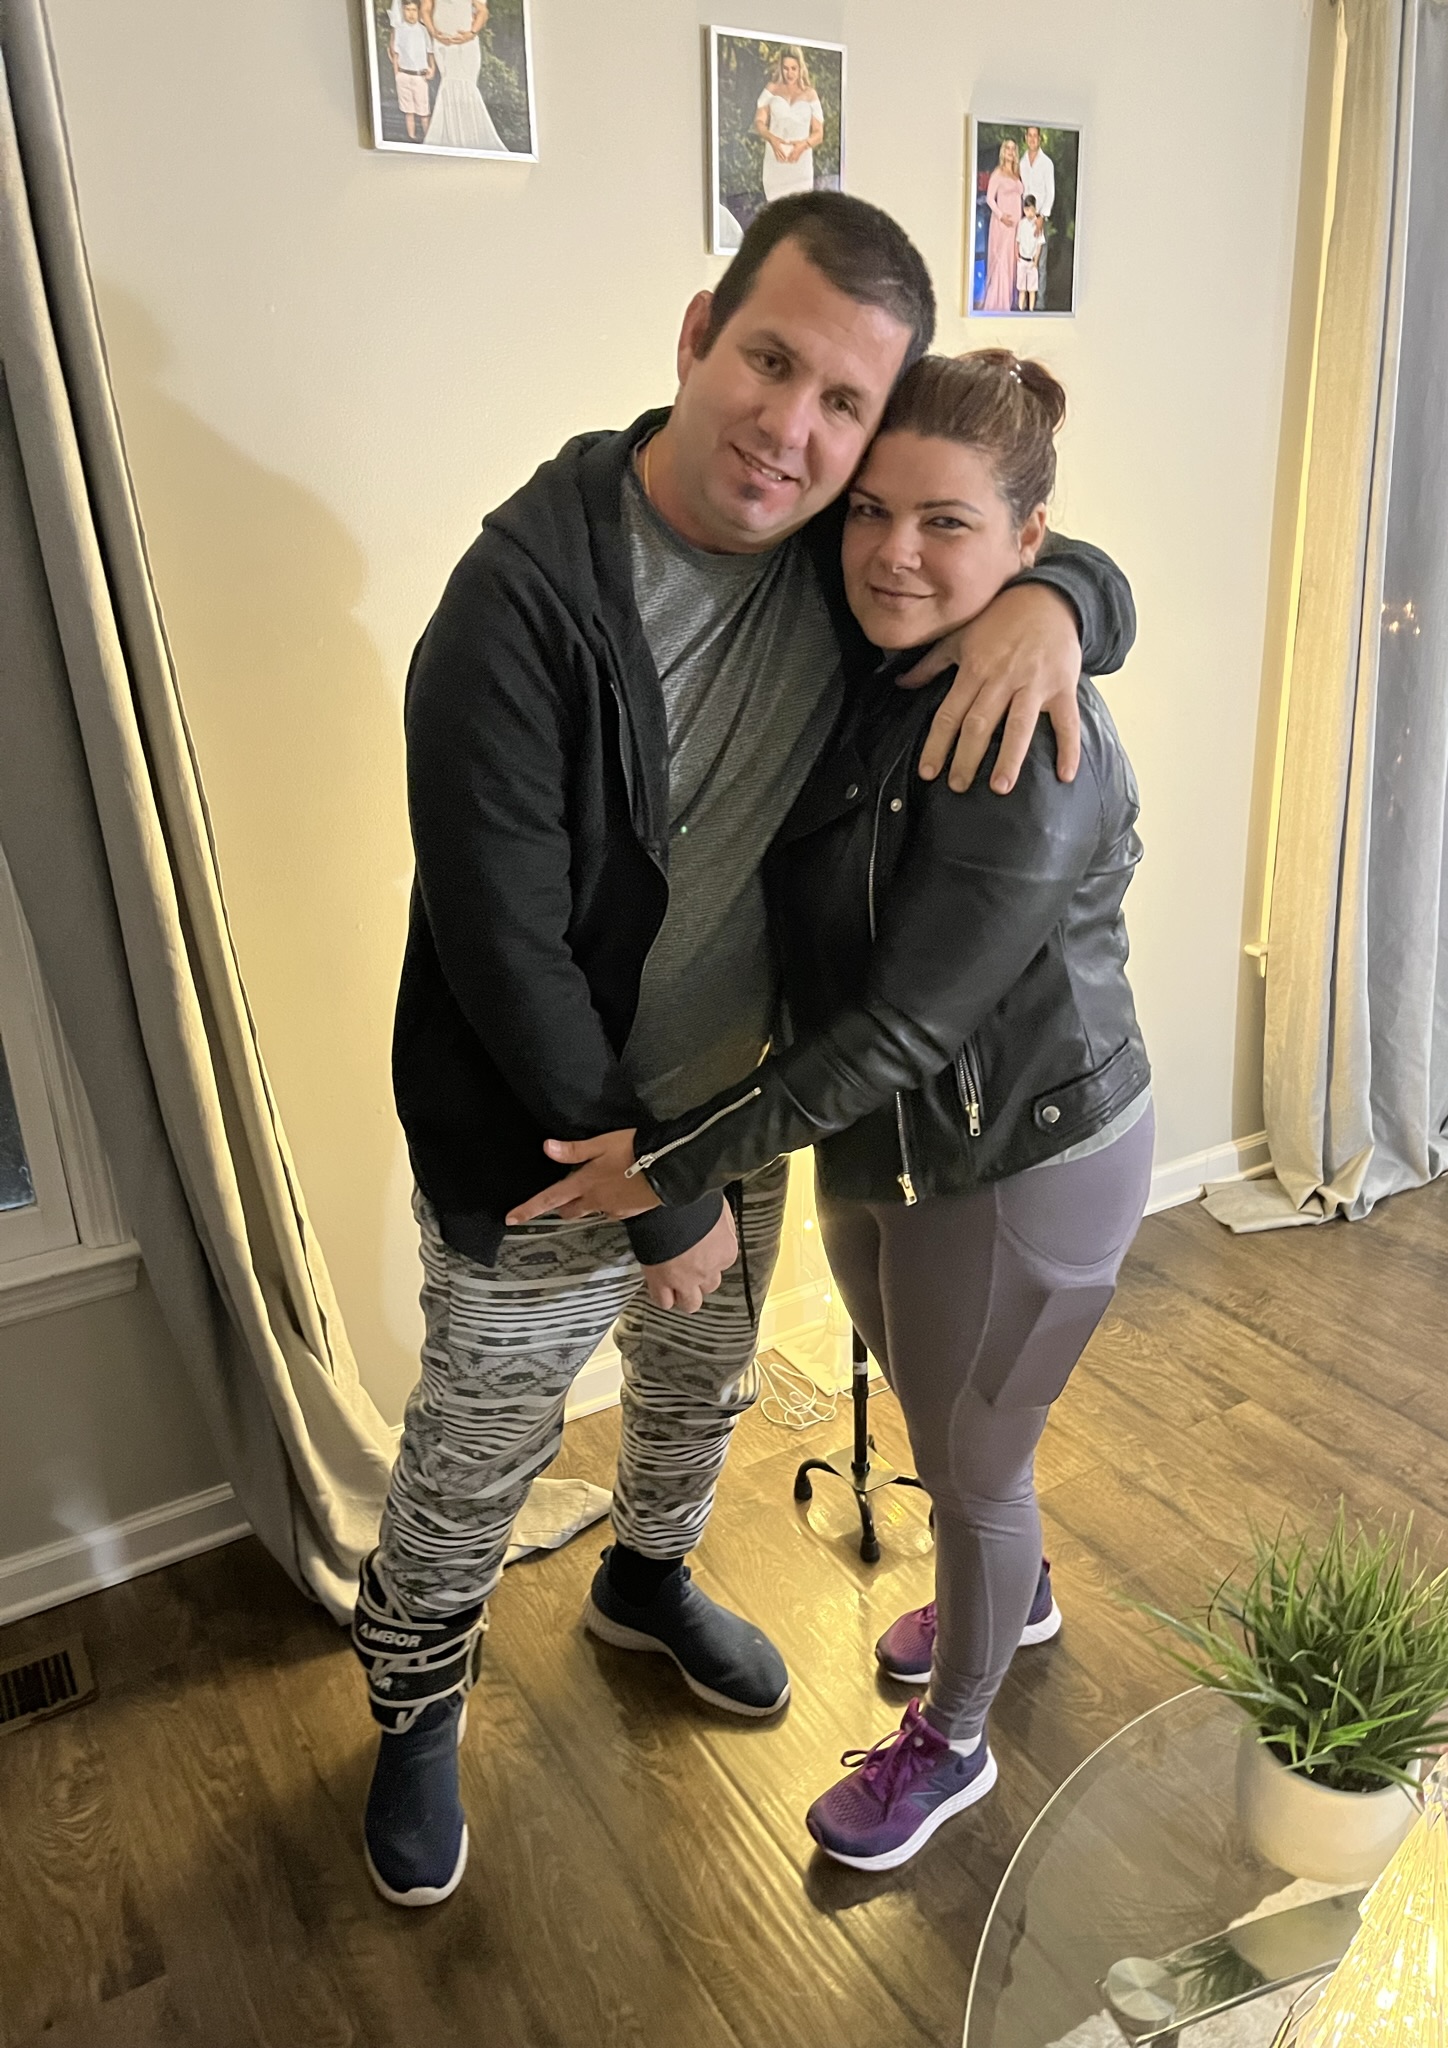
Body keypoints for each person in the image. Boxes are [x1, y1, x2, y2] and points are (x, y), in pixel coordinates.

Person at [355, 194, 1136, 1909]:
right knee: (479, 1450)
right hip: (553, 1142)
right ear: (699, 333)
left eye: (842, 402)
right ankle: (414, 1705)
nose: (793, 429)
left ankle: (644, 1582)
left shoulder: (831, 553)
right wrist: (658, 1193)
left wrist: (1065, 598)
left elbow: (981, 531)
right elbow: (505, 950)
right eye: (771, 362)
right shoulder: (518, 601)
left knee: (697, 1388)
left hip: (733, 1104)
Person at [511, 349, 1153, 1871]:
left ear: (1026, 537)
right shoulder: (884, 649)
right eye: (871, 511)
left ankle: (957, 1742)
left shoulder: (1026, 740)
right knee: (948, 1418)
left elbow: (910, 1026)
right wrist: (1068, 593)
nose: (892, 553)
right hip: (892, 1144)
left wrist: (668, 1163)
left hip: (1012, 1158)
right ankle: (1014, 1588)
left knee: (974, 1465)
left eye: (947, 524)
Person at [421, 0, 506, 154]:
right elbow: (425, 9)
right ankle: (451, 140)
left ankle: (471, 141)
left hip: (467, 44)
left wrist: (471, 33)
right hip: (443, 44)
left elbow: (482, 11)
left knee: (467, 87)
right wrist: (434, 32)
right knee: (448, 86)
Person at [754, 46, 824, 210]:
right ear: (781, 68)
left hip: (800, 162)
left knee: (800, 211)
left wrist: (803, 145)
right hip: (776, 160)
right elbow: (759, 122)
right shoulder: (772, 89)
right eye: (786, 68)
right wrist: (772, 139)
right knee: (775, 210)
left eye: (793, 68)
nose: (789, 73)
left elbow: (819, 133)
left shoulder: (810, 94)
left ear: (800, 69)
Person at [981, 138, 1023, 312]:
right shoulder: (998, 173)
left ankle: (1009, 303)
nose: (1010, 152)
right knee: (1002, 262)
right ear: (1003, 151)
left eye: (1013, 149)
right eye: (1007, 148)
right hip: (1003, 224)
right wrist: (1001, 216)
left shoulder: (1017, 174)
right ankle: (998, 304)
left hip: (1017, 226)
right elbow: (990, 199)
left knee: (1012, 262)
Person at [388, 0, 436, 145]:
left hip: (419, 76)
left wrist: (432, 68)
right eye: (408, 10)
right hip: (404, 74)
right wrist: (397, 74)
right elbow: (396, 53)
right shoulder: (399, 30)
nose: (411, 14)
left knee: (423, 111)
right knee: (409, 111)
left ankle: (428, 139)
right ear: (403, 10)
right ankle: (412, 137)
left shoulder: (423, 30)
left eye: (414, 10)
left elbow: (430, 51)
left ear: (418, 11)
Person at [1019, 125, 1056, 308]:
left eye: (1036, 136)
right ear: (1026, 137)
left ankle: (1039, 305)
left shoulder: (1046, 163)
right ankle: (1023, 304)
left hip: (1040, 219)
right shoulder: (1022, 162)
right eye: (1030, 135)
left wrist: (1042, 216)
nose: (1032, 139)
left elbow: (1050, 192)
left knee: (1039, 263)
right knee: (1023, 260)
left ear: (1039, 138)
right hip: (1025, 219)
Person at [1017, 196, 1045, 312]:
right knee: (1022, 289)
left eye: (1032, 210)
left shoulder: (1037, 225)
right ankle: (1020, 309)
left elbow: (1039, 244)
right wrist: (1017, 255)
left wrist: (1036, 260)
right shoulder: (1021, 223)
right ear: (1024, 210)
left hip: (1031, 261)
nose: (1030, 213)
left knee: (1032, 289)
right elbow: (1018, 240)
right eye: (1027, 210)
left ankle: (1031, 310)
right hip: (1022, 260)